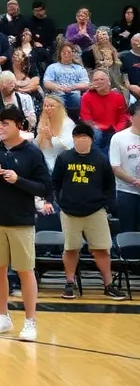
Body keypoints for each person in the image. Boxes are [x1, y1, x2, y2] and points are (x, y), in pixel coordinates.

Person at [0, 106, 51, 342]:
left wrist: (19, 181)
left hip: (21, 221)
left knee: (25, 270)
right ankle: (3, 316)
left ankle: (30, 321)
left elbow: (45, 188)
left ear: (19, 124)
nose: (0, 127)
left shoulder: (32, 152)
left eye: (6, 123)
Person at [52, 123, 125, 301]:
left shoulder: (100, 159)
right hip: (70, 212)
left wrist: (106, 206)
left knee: (102, 249)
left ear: (91, 140)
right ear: (73, 140)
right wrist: (61, 202)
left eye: (84, 137)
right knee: (71, 248)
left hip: (95, 211)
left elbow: (109, 185)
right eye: (77, 137)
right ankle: (69, 283)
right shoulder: (64, 157)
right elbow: (55, 182)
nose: (81, 140)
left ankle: (108, 285)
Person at [109, 102, 140, 233]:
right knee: (128, 230)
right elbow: (116, 167)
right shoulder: (119, 138)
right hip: (127, 191)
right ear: (131, 117)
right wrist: (134, 181)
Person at [79, 69, 128, 152]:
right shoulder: (86, 97)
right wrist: (98, 127)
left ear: (109, 81)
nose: (99, 82)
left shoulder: (118, 97)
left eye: (102, 79)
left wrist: (119, 130)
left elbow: (122, 116)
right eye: (96, 80)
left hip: (113, 130)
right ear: (92, 83)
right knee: (96, 133)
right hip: (96, 131)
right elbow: (86, 118)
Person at [43, 43, 91, 120]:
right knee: (57, 99)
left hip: (74, 93)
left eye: (69, 52)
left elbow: (86, 84)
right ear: (60, 54)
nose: (66, 54)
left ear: (73, 54)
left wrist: (73, 87)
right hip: (57, 93)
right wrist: (58, 88)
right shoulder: (52, 67)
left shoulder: (79, 68)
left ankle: (75, 120)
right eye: (64, 52)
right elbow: (47, 83)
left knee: (76, 98)